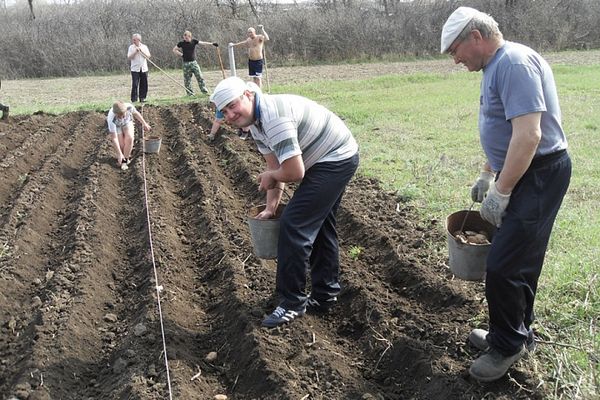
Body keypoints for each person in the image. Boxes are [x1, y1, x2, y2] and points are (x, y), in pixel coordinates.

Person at [441, 7, 571, 382]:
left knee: (502, 264)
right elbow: (505, 127)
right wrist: (487, 173)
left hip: (539, 174)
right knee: (520, 259)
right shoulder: (495, 66)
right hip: (524, 172)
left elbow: (529, 136)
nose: (456, 59)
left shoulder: (513, 63)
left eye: (455, 50)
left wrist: (502, 190)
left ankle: (508, 345)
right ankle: (516, 333)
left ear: (475, 38)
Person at [210, 77, 359, 328]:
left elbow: (293, 172)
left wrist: (271, 177)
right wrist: (270, 207)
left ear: (248, 94)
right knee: (320, 225)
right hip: (327, 158)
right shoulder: (255, 124)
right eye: (224, 111)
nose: (230, 114)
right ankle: (325, 295)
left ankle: (292, 302)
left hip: (335, 158)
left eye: (232, 106)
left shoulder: (273, 118)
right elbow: (275, 165)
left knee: (294, 225)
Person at [106, 101, 151, 170]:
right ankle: (122, 157)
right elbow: (114, 138)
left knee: (129, 138)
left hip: (127, 122)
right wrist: (119, 154)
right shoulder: (111, 118)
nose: (121, 118)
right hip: (117, 126)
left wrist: (144, 123)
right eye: (119, 116)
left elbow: (136, 114)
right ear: (115, 114)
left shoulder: (129, 107)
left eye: (123, 115)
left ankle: (125, 160)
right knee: (121, 144)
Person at [173, 31, 218, 96]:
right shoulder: (181, 43)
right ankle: (190, 94)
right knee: (187, 79)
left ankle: (204, 92)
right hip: (186, 64)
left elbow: (203, 43)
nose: (186, 39)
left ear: (190, 36)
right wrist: (181, 55)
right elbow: (174, 50)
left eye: (187, 38)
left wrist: (212, 44)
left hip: (194, 63)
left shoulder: (194, 41)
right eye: (185, 38)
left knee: (200, 77)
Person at [127, 33, 151, 103]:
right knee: (135, 84)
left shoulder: (144, 47)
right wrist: (135, 51)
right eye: (133, 40)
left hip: (144, 68)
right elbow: (129, 57)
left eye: (134, 40)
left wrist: (141, 51)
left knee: (144, 83)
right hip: (135, 69)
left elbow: (148, 56)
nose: (133, 41)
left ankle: (142, 98)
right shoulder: (131, 47)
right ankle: (134, 99)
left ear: (139, 40)